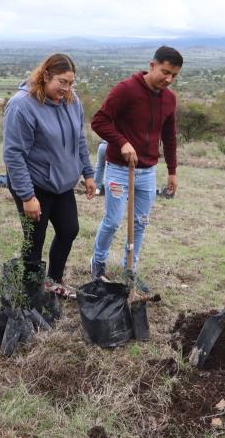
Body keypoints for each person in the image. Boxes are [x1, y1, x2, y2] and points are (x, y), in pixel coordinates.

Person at [89, 46, 183, 295]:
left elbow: (169, 137)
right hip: (120, 169)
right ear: (152, 65)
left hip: (148, 171)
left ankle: (129, 268)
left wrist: (172, 170)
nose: (168, 79)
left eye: (174, 75)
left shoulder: (169, 99)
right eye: (165, 72)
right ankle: (97, 265)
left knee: (141, 222)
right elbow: (99, 121)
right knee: (112, 221)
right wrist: (121, 142)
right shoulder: (126, 90)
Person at [4, 53, 95, 300]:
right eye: (62, 82)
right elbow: (14, 155)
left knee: (69, 230)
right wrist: (27, 196)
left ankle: (53, 281)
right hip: (34, 184)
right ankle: (30, 291)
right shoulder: (21, 106)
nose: (66, 89)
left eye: (71, 83)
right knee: (35, 238)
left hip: (62, 182)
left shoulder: (72, 102)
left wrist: (88, 173)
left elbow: (79, 139)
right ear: (45, 76)